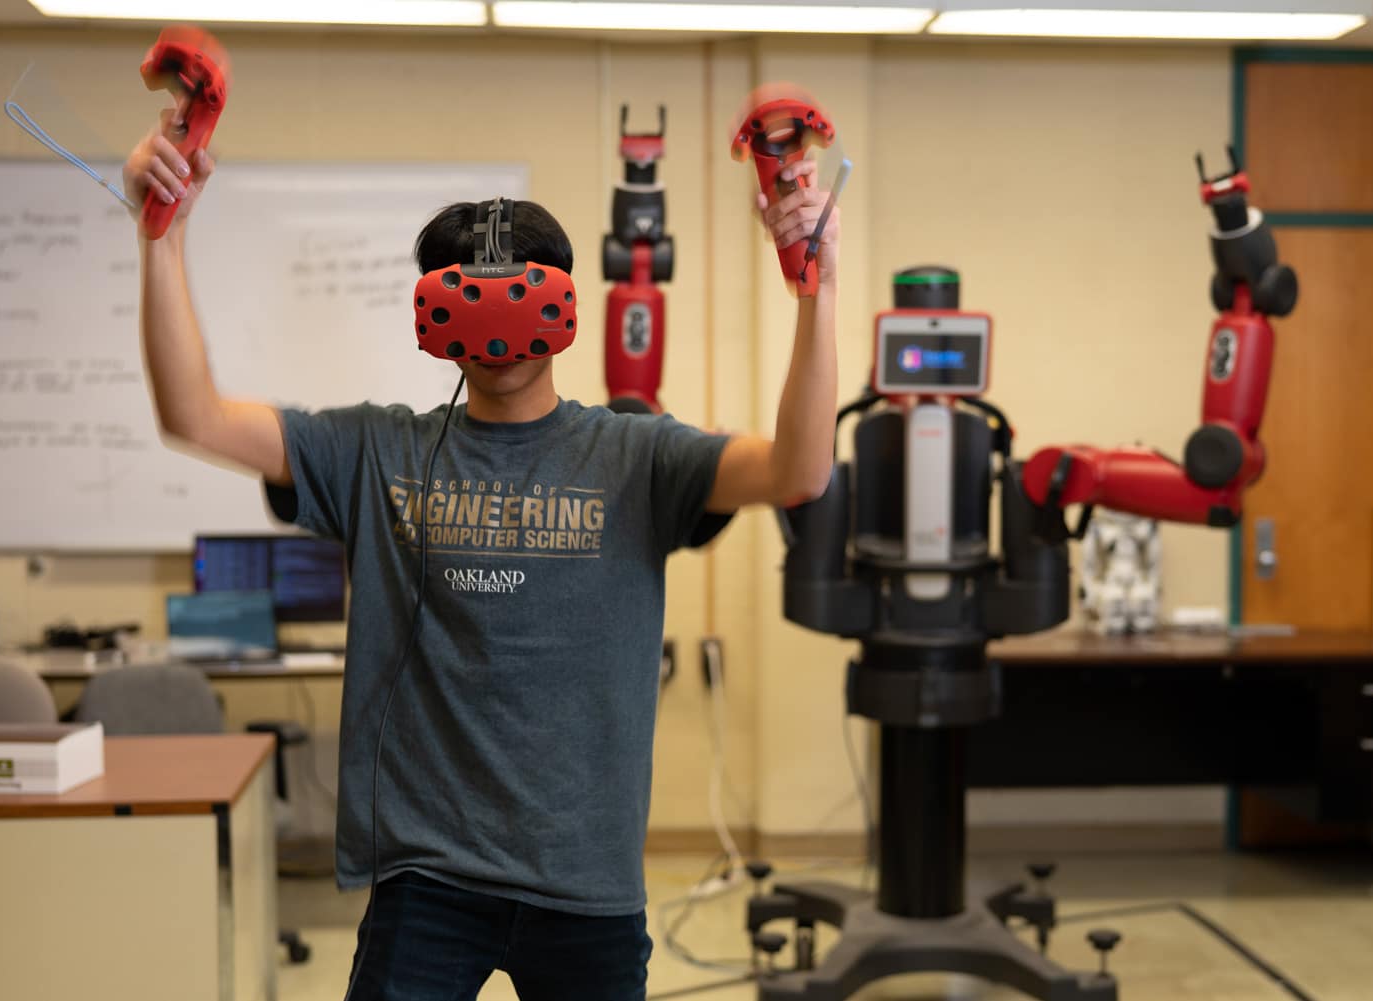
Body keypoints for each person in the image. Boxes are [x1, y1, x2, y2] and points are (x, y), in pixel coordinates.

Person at [123, 110, 839, 1001]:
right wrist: (162, 238)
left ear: (560, 306)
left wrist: (816, 292)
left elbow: (800, 468)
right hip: (427, 877)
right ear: (437, 315)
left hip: (586, 880)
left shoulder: (638, 456)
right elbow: (193, 415)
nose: (498, 327)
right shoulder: (374, 452)